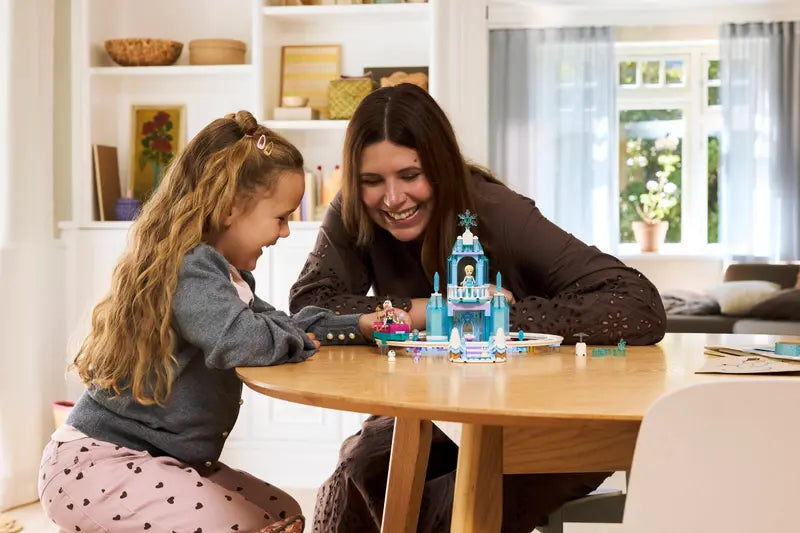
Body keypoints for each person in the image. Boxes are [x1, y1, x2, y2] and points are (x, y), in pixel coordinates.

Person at [289, 84, 667, 532]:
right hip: (432, 406)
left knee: (456, 508)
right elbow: (311, 308)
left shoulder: (494, 209)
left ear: (441, 165)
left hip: (538, 409)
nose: (392, 198)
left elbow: (637, 304)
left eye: (410, 175)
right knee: (361, 469)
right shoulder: (353, 209)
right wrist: (440, 310)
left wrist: (503, 319)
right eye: (373, 181)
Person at [38, 111, 373, 533]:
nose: (286, 232)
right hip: (99, 466)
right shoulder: (191, 268)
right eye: (281, 217)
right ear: (232, 208)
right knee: (244, 525)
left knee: (282, 513)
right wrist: (296, 333)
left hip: (164, 460)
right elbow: (243, 340)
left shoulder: (227, 277)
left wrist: (356, 325)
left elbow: (281, 325)